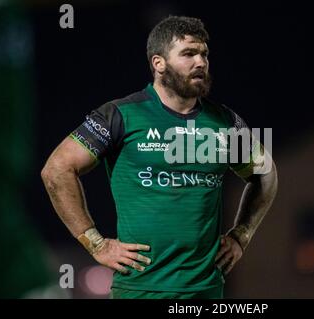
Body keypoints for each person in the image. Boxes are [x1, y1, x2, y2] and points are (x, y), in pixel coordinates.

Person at [41, 15, 278, 299]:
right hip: (140, 290)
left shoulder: (224, 121)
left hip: (205, 292)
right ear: (159, 63)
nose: (200, 62)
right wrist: (96, 243)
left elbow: (265, 174)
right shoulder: (121, 115)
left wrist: (242, 235)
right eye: (188, 54)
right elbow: (57, 169)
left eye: (204, 54)